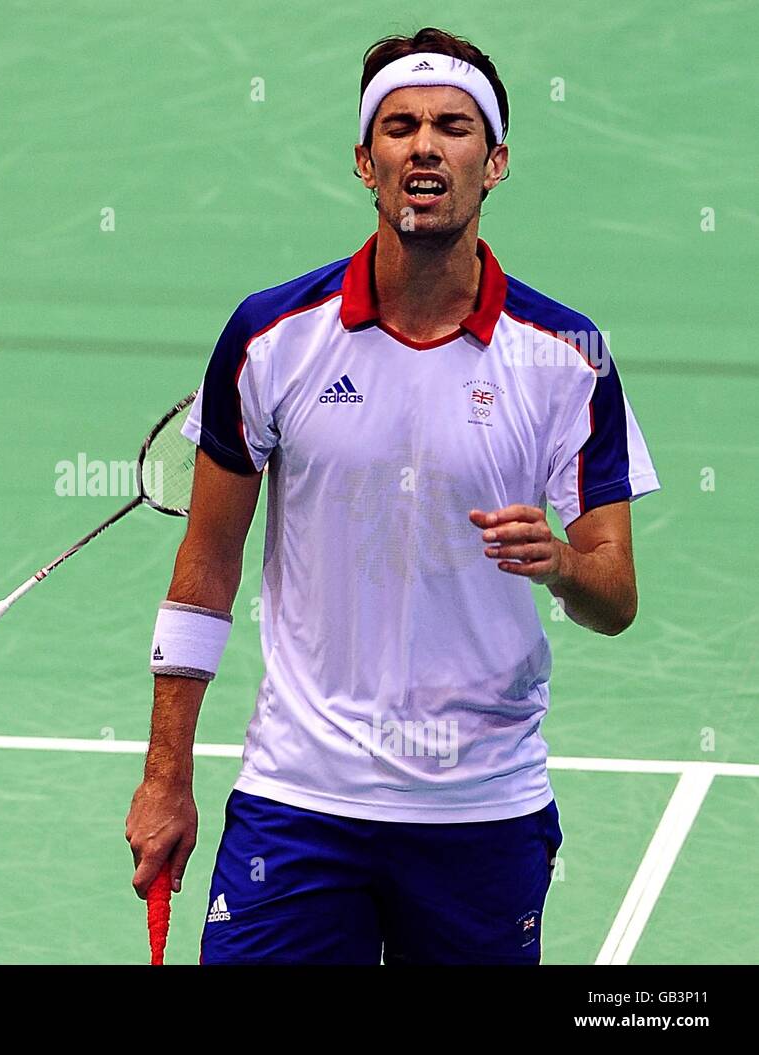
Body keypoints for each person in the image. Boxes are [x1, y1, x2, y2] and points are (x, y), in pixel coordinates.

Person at [126, 27, 660, 964]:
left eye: (453, 127)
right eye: (400, 125)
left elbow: (615, 597)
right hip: (300, 800)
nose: (425, 145)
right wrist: (166, 773)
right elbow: (205, 566)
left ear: (493, 163)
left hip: (481, 808)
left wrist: (564, 564)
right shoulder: (272, 337)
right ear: (365, 162)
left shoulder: (569, 357)